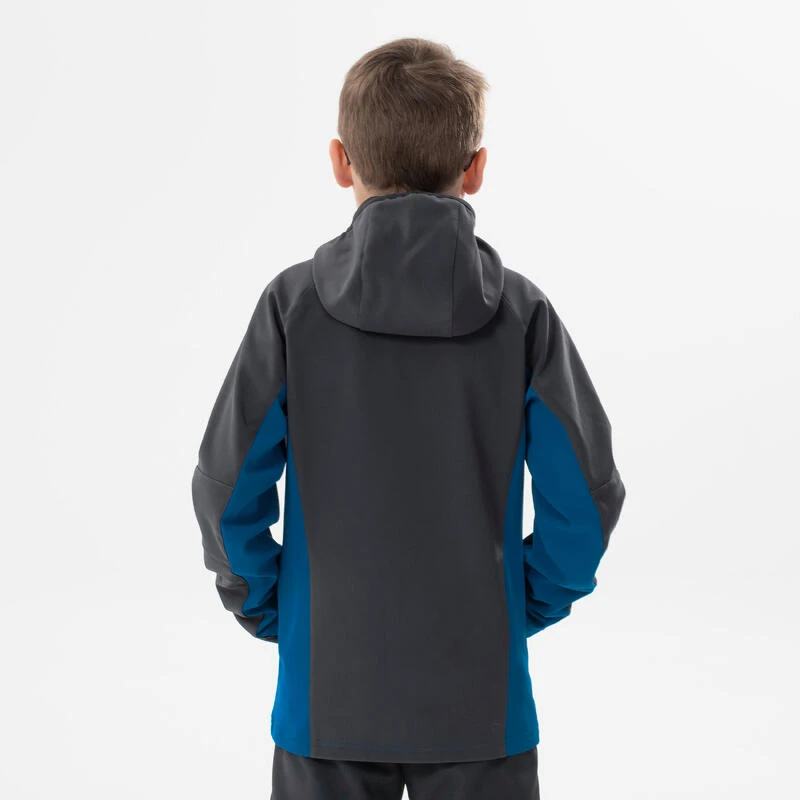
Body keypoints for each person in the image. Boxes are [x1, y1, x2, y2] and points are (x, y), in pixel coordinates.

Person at [190, 36, 626, 800]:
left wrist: (278, 612)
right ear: (476, 168)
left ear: (340, 161)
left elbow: (227, 492)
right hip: (481, 706)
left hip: (325, 700)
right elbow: (584, 504)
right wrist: (514, 608)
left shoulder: (292, 307)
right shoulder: (522, 315)